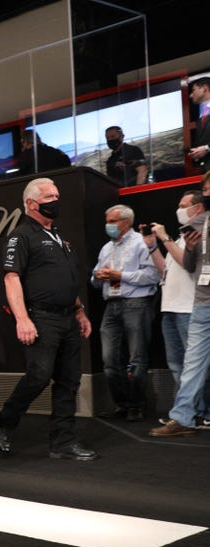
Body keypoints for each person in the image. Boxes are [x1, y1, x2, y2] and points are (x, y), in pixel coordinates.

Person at [0, 177, 96, 461]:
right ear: (31, 204)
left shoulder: (60, 238)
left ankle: (62, 443)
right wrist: (22, 319)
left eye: (57, 195)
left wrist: (79, 311)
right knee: (38, 376)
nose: (56, 201)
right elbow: (11, 279)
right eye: (50, 197)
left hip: (68, 319)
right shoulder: (20, 236)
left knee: (69, 380)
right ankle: (4, 422)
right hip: (41, 318)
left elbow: (67, 280)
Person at [149, 171, 210, 436]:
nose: (208, 193)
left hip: (191, 305)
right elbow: (189, 264)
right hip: (202, 303)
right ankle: (183, 417)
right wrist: (194, 249)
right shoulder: (201, 224)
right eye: (205, 189)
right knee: (192, 364)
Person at [90, 204, 161, 421]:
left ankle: (136, 405)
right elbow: (94, 280)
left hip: (136, 303)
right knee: (109, 360)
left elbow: (154, 276)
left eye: (112, 221)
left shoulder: (142, 243)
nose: (108, 225)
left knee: (136, 358)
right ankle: (121, 403)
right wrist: (98, 276)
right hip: (111, 305)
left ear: (126, 222)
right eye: (107, 221)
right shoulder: (105, 248)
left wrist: (120, 275)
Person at [188, 78, 210, 169]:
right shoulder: (202, 114)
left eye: (193, 90)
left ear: (204, 88)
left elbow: (206, 147)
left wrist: (207, 148)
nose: (191, 95)